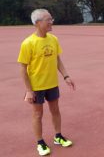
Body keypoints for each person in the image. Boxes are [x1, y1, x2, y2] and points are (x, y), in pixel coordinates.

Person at [18, 9, 76, 156]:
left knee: (55, 110)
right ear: (38, 23)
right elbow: (23, 70)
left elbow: (57, 59)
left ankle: (58, 136)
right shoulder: (28, 43)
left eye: (51, 19)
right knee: (38, 114)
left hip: (52, 84)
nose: (51, 22)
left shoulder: (53, 39)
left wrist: (66, 76)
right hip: (36, 86)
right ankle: (40, 142)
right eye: (48, 19)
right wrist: (29, 90)